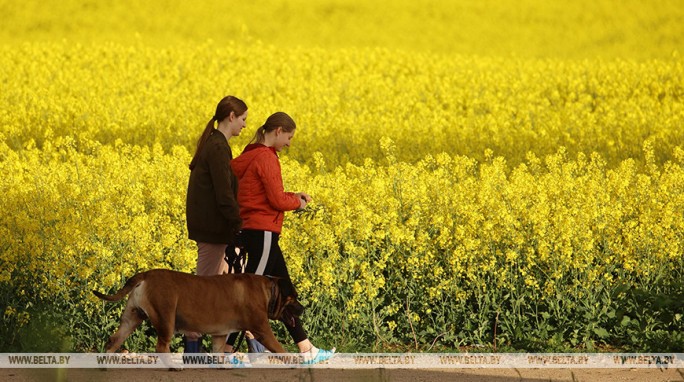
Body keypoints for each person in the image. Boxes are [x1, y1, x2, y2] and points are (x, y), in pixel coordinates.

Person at [226, 112, 335, 364]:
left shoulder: (249, 153)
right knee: (251, 294)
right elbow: (275, 200)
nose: (289, 143)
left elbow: (263, 195)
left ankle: (306, 348)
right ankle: (226, 351)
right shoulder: (266, 158)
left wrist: (291, 195)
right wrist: (298, 202)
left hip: (257, 230)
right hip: (263, 231)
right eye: (288, 137)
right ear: (277, 131)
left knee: (283, 290)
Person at [184, 95, 248, 352]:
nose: (245, 125)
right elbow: (224, 194)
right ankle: (192, 353)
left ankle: (218, 352)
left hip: (211, 229)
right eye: (243, 119)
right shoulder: (219, 147)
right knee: (202, 294)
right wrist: (238, 224)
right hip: (212, 230)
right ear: (231, 117)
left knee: (213, 292)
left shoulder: (214, 143)